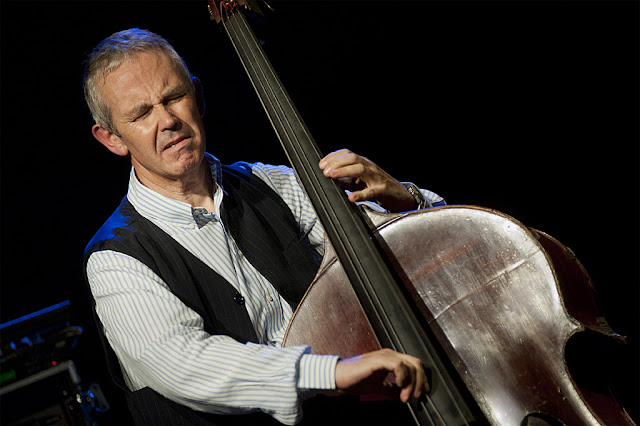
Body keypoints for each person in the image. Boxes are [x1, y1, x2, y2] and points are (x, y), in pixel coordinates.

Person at [83, 28, 446, 425]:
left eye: (173, 97)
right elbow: (186, 362)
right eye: (141, 114)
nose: (167, 120)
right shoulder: (114, 259)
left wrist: (404, 198)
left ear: (198, 97)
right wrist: (332, 372)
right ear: (112, 139)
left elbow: (404, 253)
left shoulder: (273, 183)